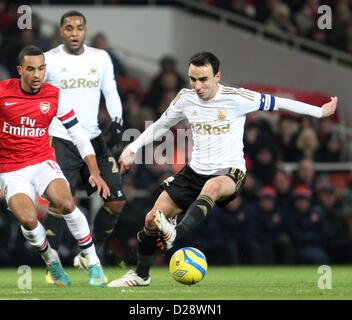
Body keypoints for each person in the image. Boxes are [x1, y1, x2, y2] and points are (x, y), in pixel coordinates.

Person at [108, 51, 338, 287]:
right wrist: (132, 148)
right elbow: (160, 125)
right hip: (194, 171)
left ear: (217, 76)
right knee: (151, 220)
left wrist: (319, 112)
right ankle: (141, 275)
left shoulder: (237, 98)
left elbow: (279, 103)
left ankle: (176, 232)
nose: (197, 85)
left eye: (203, 79)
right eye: (192, 79)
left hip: (230, 172)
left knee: (213, 185)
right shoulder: (185, 98)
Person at [0, 45, 110, 286]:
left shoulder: (54, 95)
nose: (37, 74)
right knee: (28, 221)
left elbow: (79, 135)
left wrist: (94, 171)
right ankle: (51, 259)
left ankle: (93, 263)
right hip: (11, 170)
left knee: (66, 203)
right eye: (30, 69)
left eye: (41, 68)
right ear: (20, 70)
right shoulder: (2, 92)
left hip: (42, 162)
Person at [42, 11, 126, 280]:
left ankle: (86, 254)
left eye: (79, 27)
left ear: (85, 30)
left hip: (93, 138)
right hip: (61, 138)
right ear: (61, 31)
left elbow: (110, 90)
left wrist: (118, 122)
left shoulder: (100, 58)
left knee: (117, 202)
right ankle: (52, 265)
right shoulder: (49, 60)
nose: (74, 32)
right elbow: (37, 96)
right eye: (69, 28)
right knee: (62, 201)